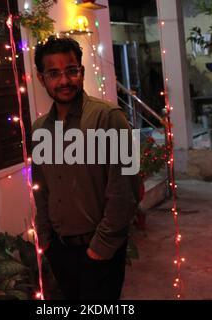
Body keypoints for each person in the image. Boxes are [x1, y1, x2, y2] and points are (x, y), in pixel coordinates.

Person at [31, 36, 141, 300]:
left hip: (100, 250)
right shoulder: (39, 130)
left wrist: (100, 248)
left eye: (71, 71)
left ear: (81, 71)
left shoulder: (108, 117)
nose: (64, 81)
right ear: (41, 78)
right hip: (59, 250)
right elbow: (41, 190)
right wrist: (46, 240)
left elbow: (127, 189)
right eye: (54, 73)